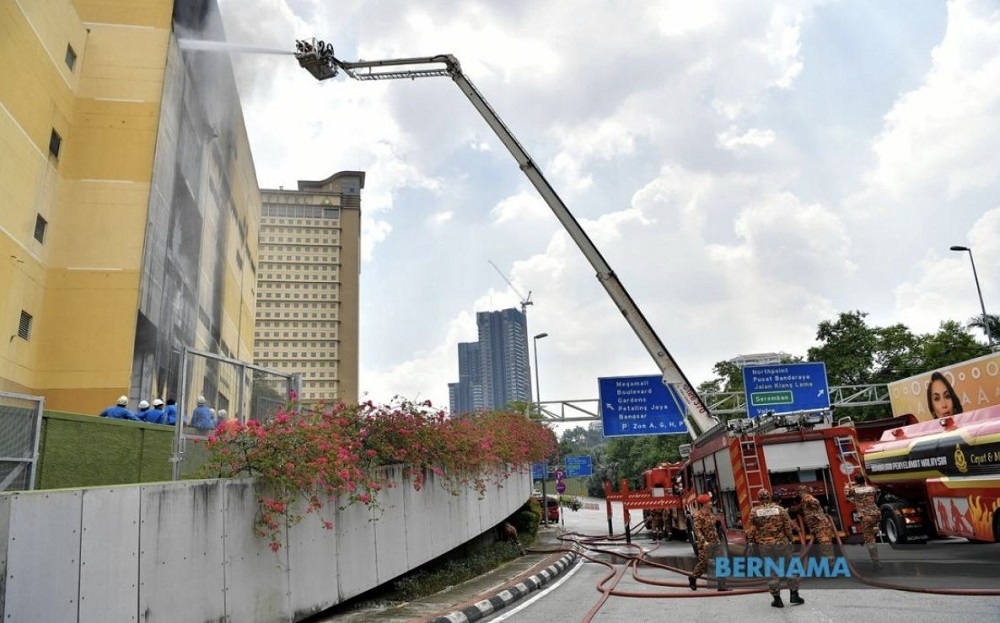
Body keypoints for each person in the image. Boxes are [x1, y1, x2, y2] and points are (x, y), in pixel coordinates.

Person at [746, 489, 802, 608]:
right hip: (782, 544)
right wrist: (791, 539)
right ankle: (794, 594)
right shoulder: (780, 510)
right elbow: (787, 527)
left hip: (765, 546)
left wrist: (750, 542)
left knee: (771, 571)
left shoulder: (754, 512)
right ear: (770, 497)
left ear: (759, 498)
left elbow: (751, 530)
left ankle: (777, 599)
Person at [689, 493, 731, 591]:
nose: (711, 503)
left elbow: (714, 529)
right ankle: (693, 578)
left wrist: (718, 541)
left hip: (715, 543)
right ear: (704, 504)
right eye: (709, 501)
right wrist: (704, 542)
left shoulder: (711, 515)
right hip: (705, 544)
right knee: (703, 564)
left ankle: (722, 585)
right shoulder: (698, 516)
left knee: (721, 561)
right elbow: (697, 531)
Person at [844, 473, 880, 568]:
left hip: (865, 517)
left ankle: (875, 562)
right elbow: (876, 496)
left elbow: (847, 494)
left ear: (856, 481)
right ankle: (874, 532)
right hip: (876, 514)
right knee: (873, 530)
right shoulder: (871, 488)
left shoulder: (854, 489)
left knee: (870, 539)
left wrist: (847, 485)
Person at [792, 485, 836, 561]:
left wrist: (815, 513)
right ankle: (827, 564)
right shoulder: (803, 501)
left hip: (821, 526)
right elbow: (799, 508)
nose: (798, 494)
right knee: (824, 546)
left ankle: (831, 565)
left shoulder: (807, 497)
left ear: (801, 492)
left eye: (798, 492)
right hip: (817, 526)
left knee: (825, 545)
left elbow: (815, 502)